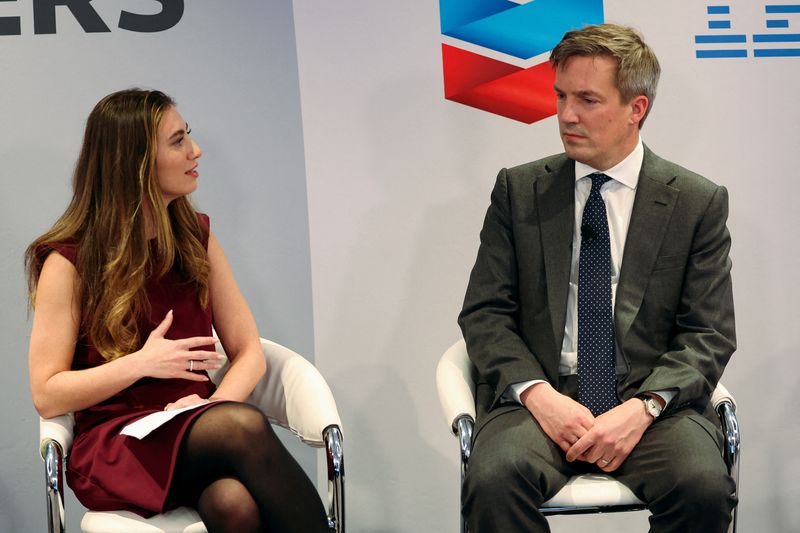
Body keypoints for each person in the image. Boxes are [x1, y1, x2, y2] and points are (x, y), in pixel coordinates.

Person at [458, 24, 737, 532]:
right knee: (494, 479)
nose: (566, 116)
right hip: (542, 399)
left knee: (703, 487)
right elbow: (485, 313)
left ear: (637, 108)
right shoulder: (520, 190)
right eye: (561, 96)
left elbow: (708, 334)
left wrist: (643, 408)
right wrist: (540, 396)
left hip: (651, 406)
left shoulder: (696, 202)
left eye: (588, 99)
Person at [26, 89, 329, 533]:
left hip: (194, 429)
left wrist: (210, 411)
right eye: (177, 141)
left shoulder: (195, 236)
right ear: (135, 163)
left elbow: (249, 352)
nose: (195, 150)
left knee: (233, 504)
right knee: (241, 427)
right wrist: (140, 364)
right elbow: (47, 392)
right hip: (117, 442)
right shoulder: (68, 261)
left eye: (189, 136)